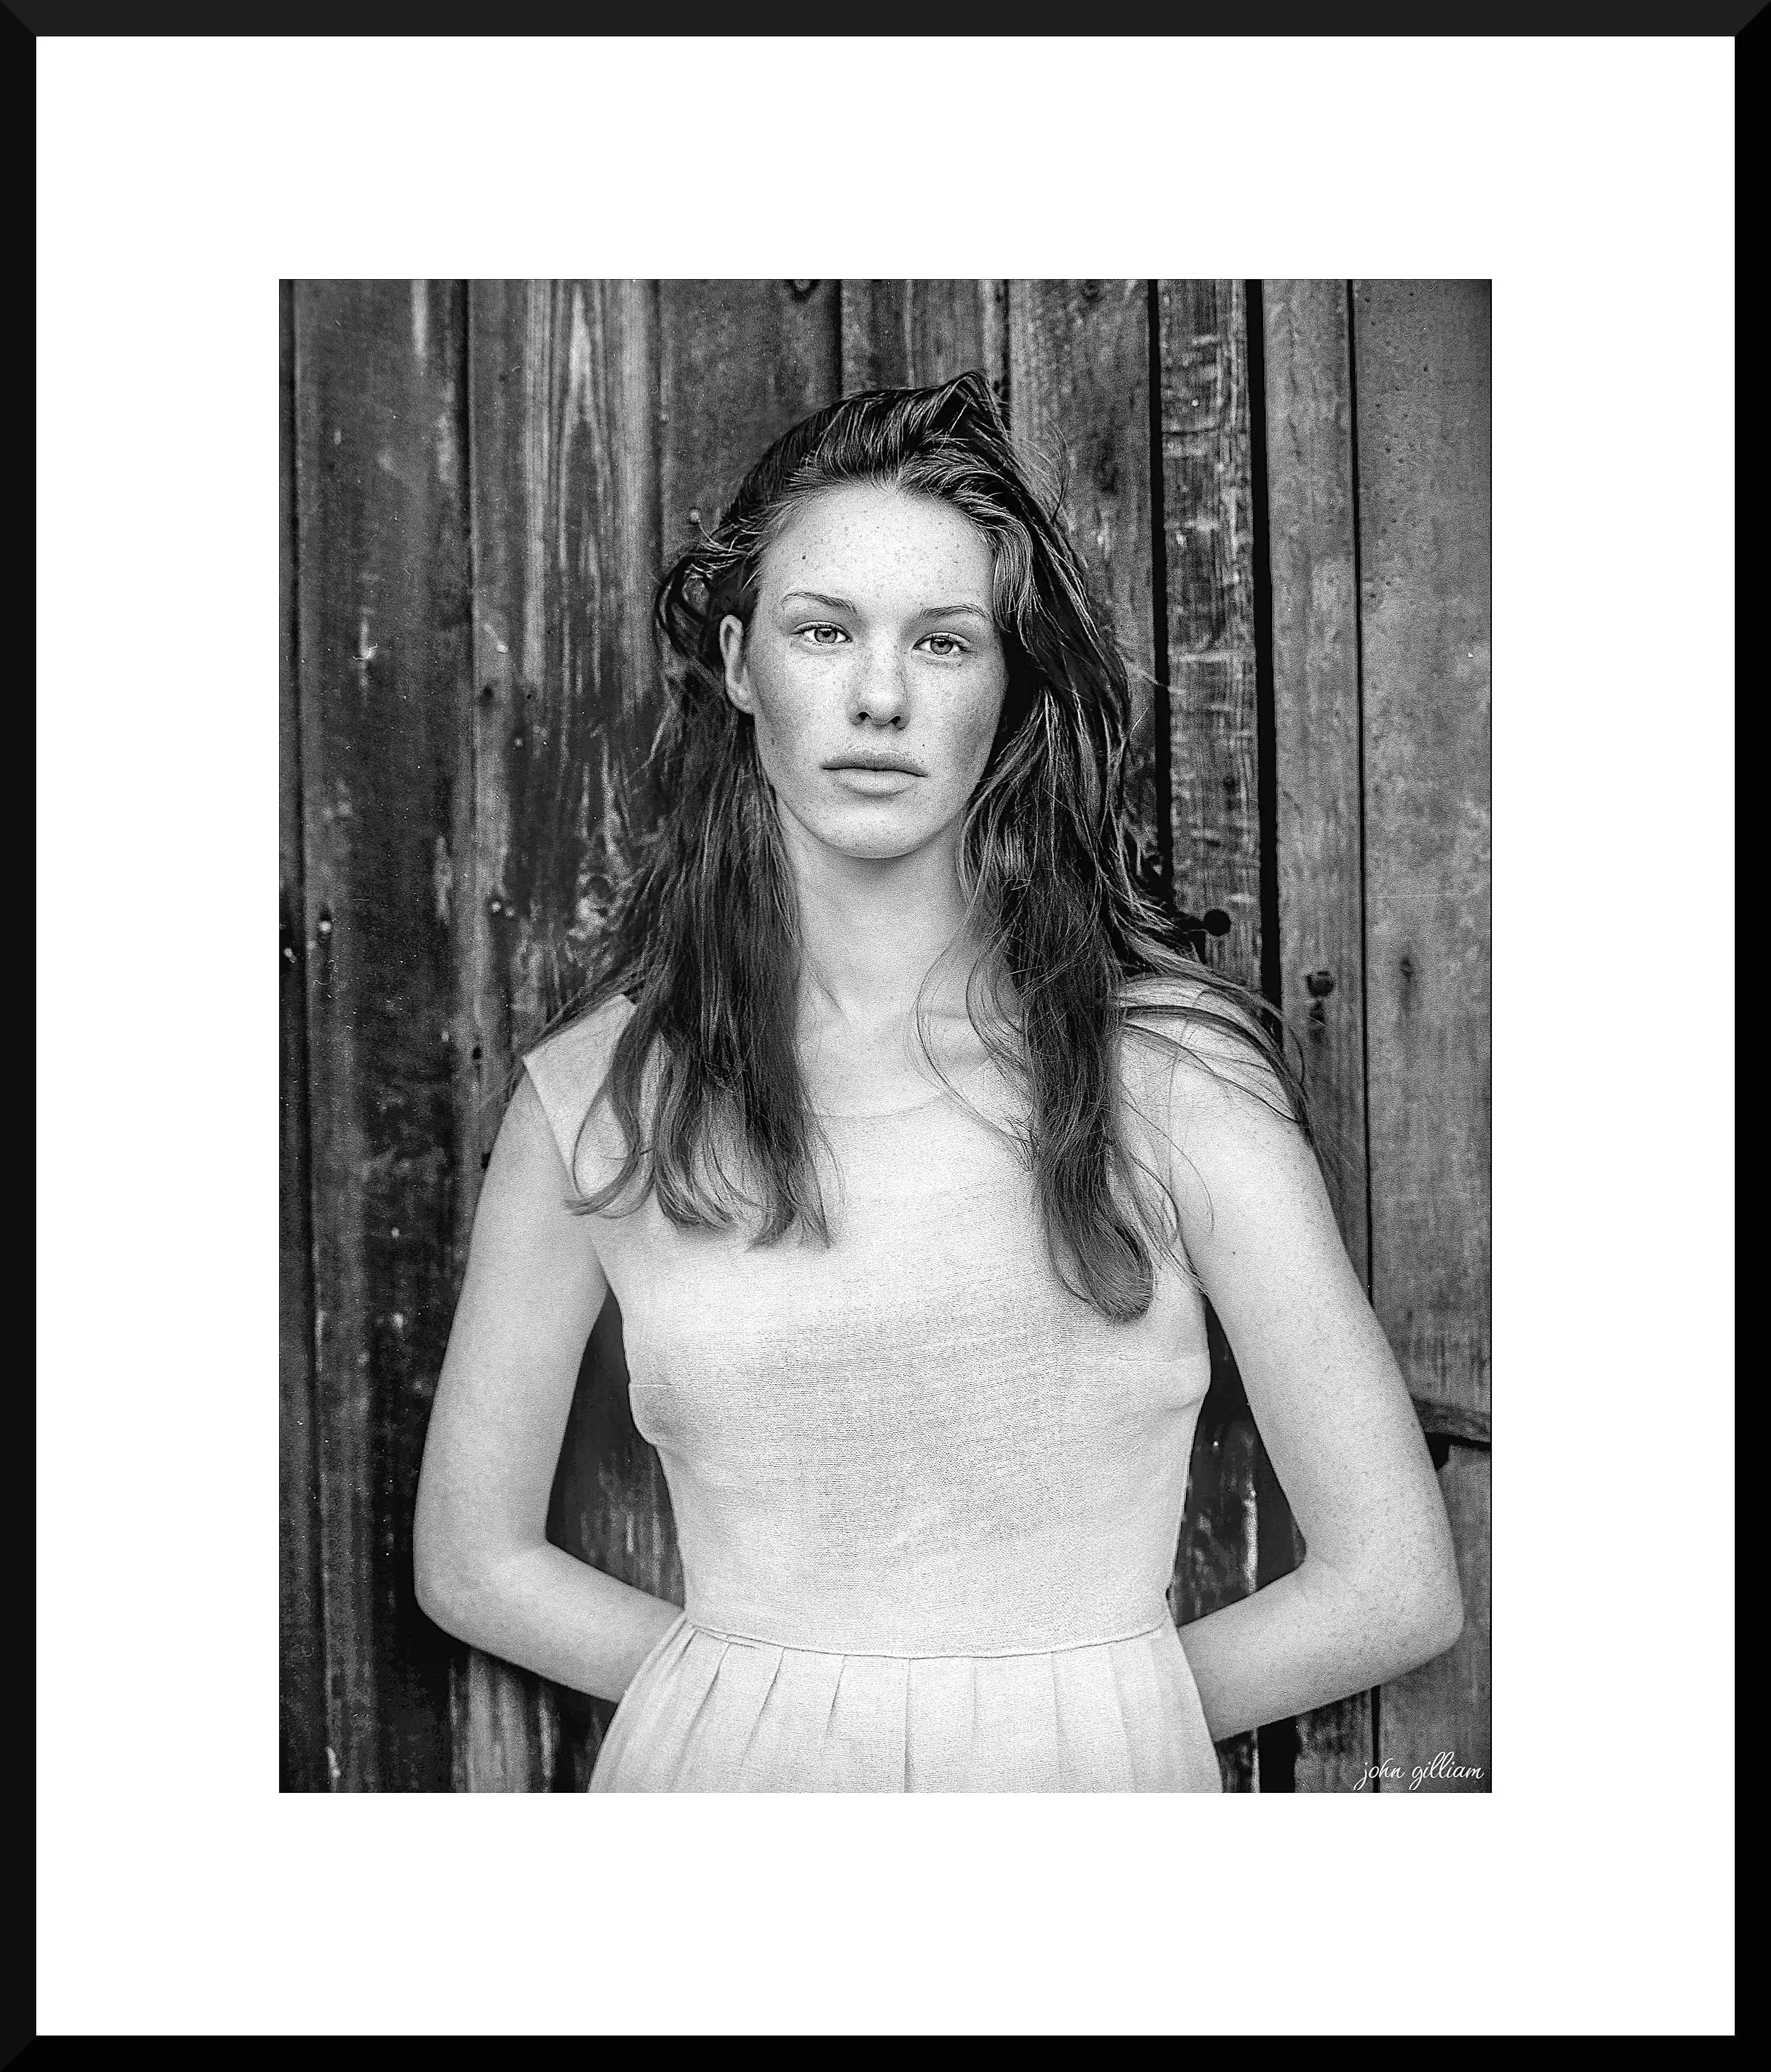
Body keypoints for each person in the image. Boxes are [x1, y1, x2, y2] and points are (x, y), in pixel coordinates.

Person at [412, 371, 1464, 1791]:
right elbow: (472, 1562)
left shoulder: (1173, 1082)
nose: (879, 694)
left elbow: (1393, 1585)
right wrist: (781, 1716)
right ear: (740, 664)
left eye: (945, 641)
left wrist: (1061, 1729)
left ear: (1007, 683)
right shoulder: (601, 1097)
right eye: (823, 629)